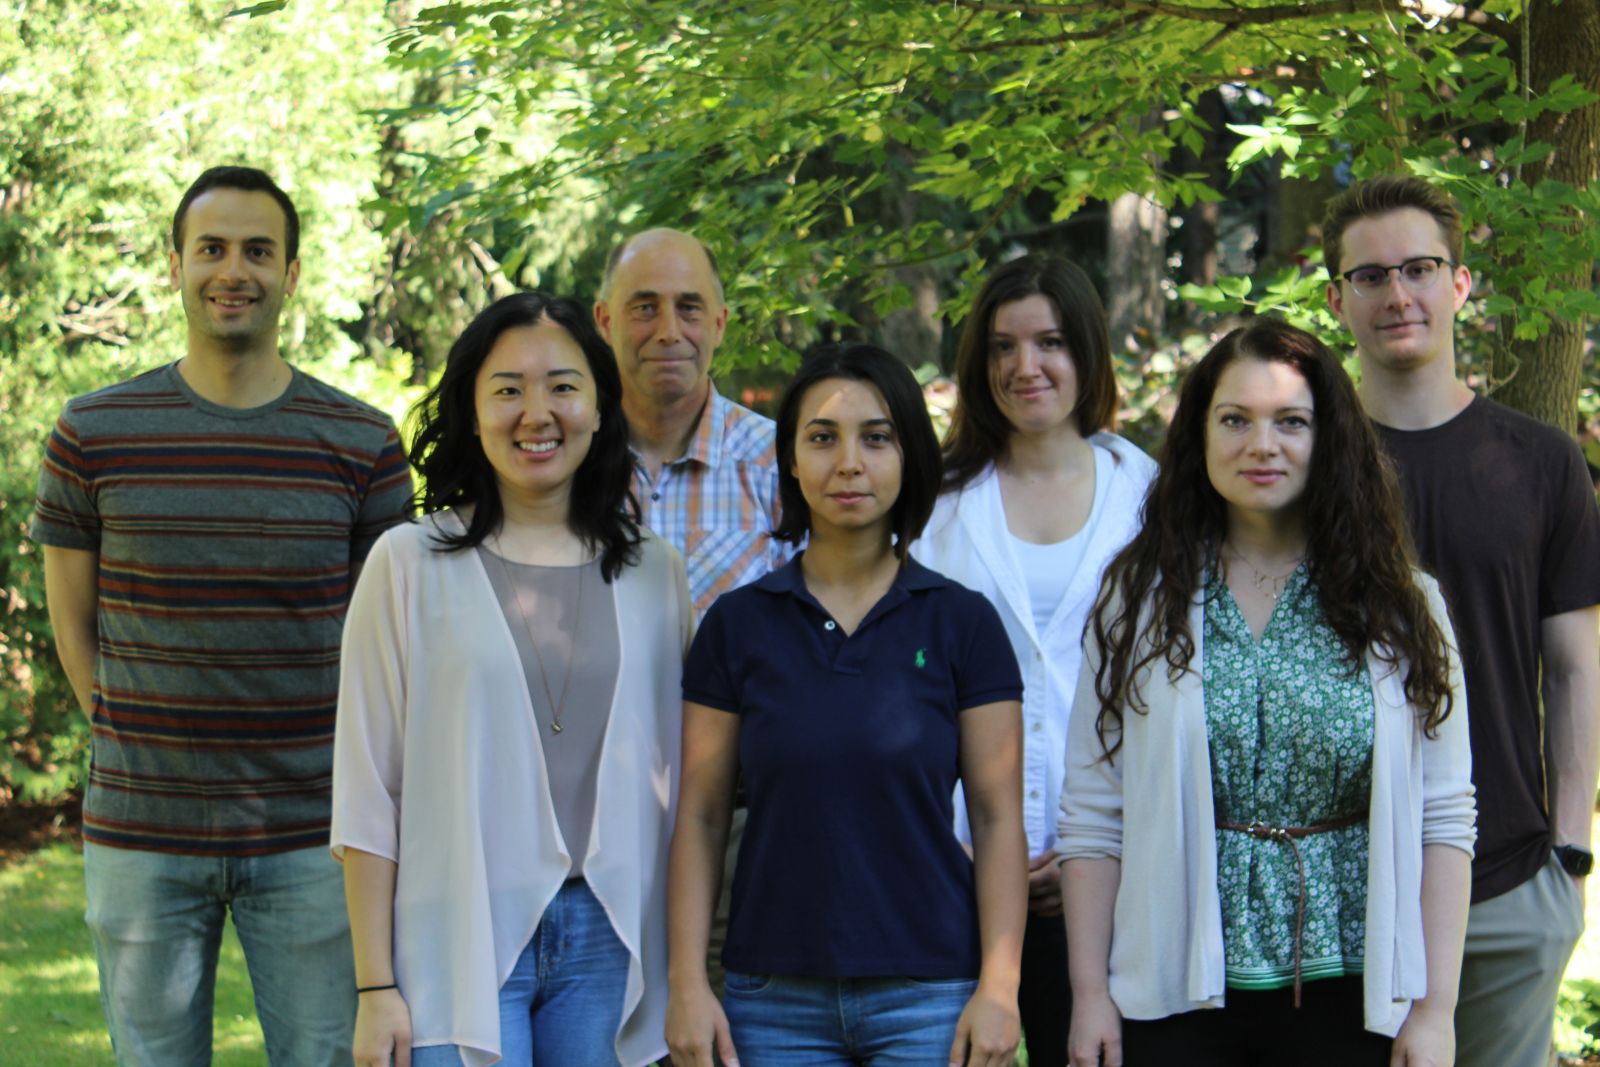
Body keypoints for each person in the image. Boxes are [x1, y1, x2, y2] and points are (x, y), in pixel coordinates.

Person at [30, 165, 412, 1065]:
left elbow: (387, 648)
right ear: (174, 265)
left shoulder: (362, 441)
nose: (231, 270)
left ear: (292, 272)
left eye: (256, 250)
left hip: (318, 841)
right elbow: (73, 626)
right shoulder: (93, 432)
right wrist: (131, 736)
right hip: (141, 836)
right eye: (211, 248)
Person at [1059, 319, 1475, 1067]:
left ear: (1331, 439)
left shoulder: (1404, 605)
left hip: (1353, 987)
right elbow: (1095, 812)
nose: (1262, 444)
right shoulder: (1136, 600)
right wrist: (1091, 992)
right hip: (1174, 987)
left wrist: (1435, 1007)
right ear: (1199, 436)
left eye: (1291, 421)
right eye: (1235, 420)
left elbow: (1444, 815)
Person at [332, 292, 692, 1067]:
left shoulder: (655, 575)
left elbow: (681, 782)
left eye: (563, 386)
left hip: (609, 938)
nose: (538, 412)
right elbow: (367, 794)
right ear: (471, 408)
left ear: (600, 407)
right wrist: (373, 987)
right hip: (453, 931)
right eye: (507, 389)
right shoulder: (405, 565)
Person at [666, 343, 1028, 1067]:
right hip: (772, 996)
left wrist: (999, 985)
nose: (849, 461)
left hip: (930, 990)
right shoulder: (738, 626)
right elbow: (702, 815)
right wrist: (685, 983)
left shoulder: (962, 624)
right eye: (822, 437)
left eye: (877, 436)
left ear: (909, 456)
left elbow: (996, 818)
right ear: (791, 461)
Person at [1322, 174, 1600, 1067]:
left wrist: (1570, 850)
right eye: (1370, 276)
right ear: (1337, 300)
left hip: (1509, 884)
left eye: (1419, 268)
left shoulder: (1544, 462)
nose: (1397, 294)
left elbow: (1574, 667)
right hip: (1335, 888)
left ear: (1461, 284)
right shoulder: (1300, 466)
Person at [913, 254, 1156, 1067]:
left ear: (1087, 352)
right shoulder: (936, 505)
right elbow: (909, 683)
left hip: (1124, 870)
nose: (1026, 367)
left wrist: (1090, 849)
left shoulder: (1152, 499)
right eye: (1002, 347)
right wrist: (986, 854)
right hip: (954, 865)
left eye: (1049, 341)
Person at [594, 227, 786, 621]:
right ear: (604, 320)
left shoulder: (779, 466)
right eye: (645, 308)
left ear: (719, 324)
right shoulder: (569, 463)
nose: (669, 332)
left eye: (689, 308)